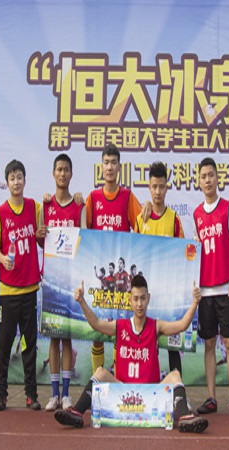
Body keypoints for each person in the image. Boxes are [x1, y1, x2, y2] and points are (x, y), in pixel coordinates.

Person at [54, 275, 208, 433]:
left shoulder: (156, 326)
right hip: (122, 392)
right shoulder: (120, 326)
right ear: (130, 300)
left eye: (143, 298)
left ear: (148, 299)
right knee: (100, 372)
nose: (139, 304)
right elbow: (96, 324)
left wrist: (195, 302)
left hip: (151, 393)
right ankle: (77, 413)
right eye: (136, 299)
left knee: (175, 375)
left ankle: (185, 417)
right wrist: (81, 301)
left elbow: (181, 325)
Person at [0, 159, 45, 411]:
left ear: (24, 180)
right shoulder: (0, 213)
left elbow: (43, 235)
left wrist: (41, 234)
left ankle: (31, 395)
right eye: (11, 178)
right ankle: (0, 394)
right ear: (7, 182)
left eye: (19, 177)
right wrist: (2, 259)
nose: (16, 182)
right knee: (4, 345)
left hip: (30, 289)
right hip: (8, 291)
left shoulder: (34, 207)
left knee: (29, 346)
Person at [85, 143, 142, 372]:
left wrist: (148, 208)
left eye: (114, 163)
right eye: (106, 162)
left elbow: (142, 228)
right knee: (97, 334)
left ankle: (117, 380)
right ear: (101, 166)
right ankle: (97, 379)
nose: (109, 167)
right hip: (102, 280)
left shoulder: (128, 197)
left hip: (120, 281)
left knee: (120, 331)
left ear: (120, 167)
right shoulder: (93, 198)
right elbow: (83, 233)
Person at [193, 157, 229, 417]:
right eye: (203, 176)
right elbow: (193, 253)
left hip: (225, 288)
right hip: (205, 291)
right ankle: (211, 397)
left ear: (217, 178)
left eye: (211, 175)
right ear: (198, 181)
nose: (208, 180)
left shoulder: (227, 208)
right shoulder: (196, 214)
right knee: (209, 344)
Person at [40, 154, 86, 412]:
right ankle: (54, 394)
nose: (62, 173)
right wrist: (40, 233)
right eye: (59, 169)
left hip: (70, 281)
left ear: (71, 174)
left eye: (66, 169)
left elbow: (85, 239)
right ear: (53, 173)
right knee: (53, 338)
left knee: (67, 338)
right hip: (50, 279)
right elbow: (40, 239)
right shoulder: (45, 206)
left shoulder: (79, 206)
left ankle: (66, 394)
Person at [134, 161, 185, 375]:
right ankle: (148, 385)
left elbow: (183, 256)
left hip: (169, 293)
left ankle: (178, 387)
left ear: (167, 187)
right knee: (148, 344)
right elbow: (134, 253)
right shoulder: (140, 219)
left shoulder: (174, 219)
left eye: (161, 187)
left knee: (172, 344)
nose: (157, 191)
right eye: (154, 187)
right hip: (147, 295)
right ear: (149, 187)